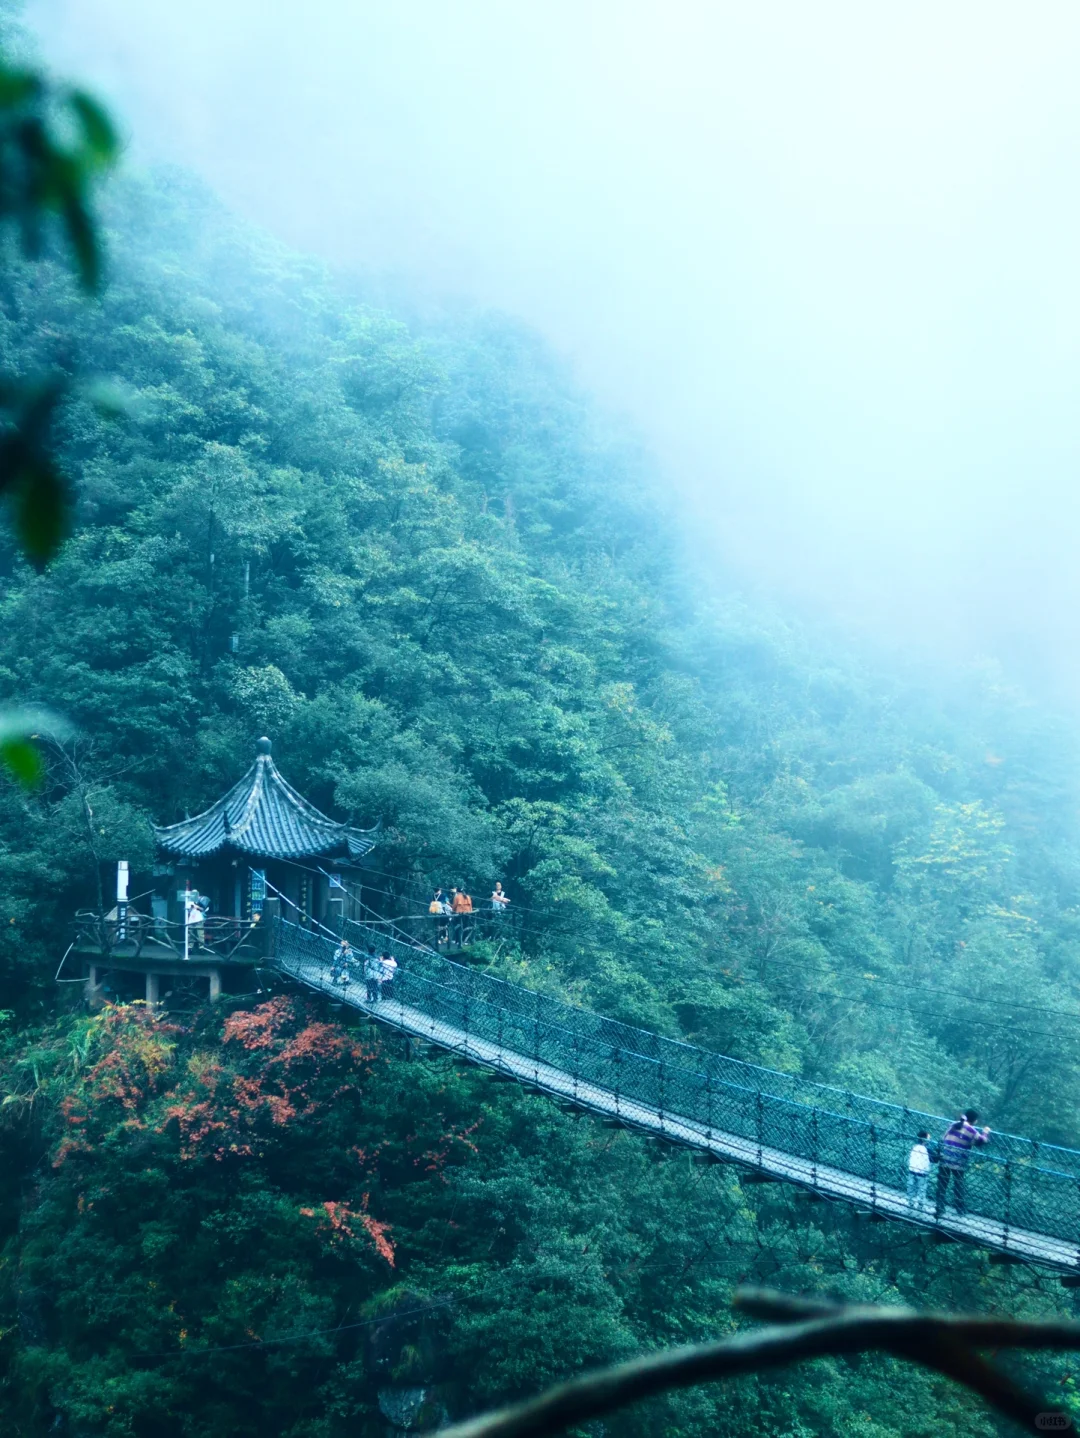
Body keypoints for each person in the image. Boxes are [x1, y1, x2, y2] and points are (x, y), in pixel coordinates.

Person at [935, 1109, 990, 1218]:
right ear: (974, 1120)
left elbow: (943, 1138)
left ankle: (940, 1208)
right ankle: (960, 1210)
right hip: (959, 1163)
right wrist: (986, 1132)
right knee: (958, 1185)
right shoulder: (971, 1130)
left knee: (942, 1185)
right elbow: (981, 1142)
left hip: (945, 1159)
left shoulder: (953, 1125)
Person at [906, 1130, 935, 1211]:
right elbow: (934, 1159)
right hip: (922, 1173)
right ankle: (920, 1204)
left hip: (912, 1170)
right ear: (924, 1139)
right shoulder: (928, 1149)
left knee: (911, 1187)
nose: (929, 1140)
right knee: (921, 1189)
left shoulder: (914, 1147)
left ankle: (910, 1202)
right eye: (928, 1138)